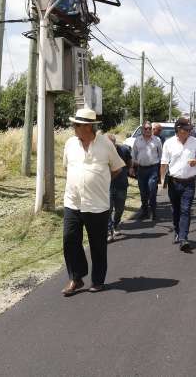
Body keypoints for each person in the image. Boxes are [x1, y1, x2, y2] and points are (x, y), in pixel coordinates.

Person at [61, 108, 125, 296]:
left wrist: (100, 181)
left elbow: (117, 168)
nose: (73, 127)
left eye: (77, 125)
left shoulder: (105, 144)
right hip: (73, 201)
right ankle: (76, 277)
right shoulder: (70, 144)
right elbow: (67, 167)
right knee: (69, 240)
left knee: (97, 244)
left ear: (88, 127)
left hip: (97, 204)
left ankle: (98, 280)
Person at [160, 117, 196, 252]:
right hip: (174, 182)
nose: (188, 132)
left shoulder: (195, 142)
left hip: (189, 183)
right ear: (178, 129)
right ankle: (177, 231)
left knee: (186, 210)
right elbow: (164, 163)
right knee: (176, 210)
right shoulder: (169, 143)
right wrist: (161, 181)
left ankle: (183, 238)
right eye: (186, 130)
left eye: (189, 130)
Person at [129, 120, 162, 220]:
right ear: (142, 130)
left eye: (149, 128)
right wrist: (131, 167)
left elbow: (161, 154)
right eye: (146, 128)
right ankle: (145, 212)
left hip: (153, 169)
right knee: (143, 192)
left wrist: (160, 169)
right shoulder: (137, 140)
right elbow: (133, 154)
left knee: (152, 190)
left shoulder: (157, 140)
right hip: (141, 169)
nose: (148, 130)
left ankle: (154, 211)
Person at [106, 134, 132, 243]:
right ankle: (109, 231)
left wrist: (130, 170)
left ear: (115, 143)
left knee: (120, 209)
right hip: (107, 185)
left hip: (121, 184)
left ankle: (115, 225)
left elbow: (130, 162)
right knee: (108, 209)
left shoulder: (124, 150)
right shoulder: (103, 152)